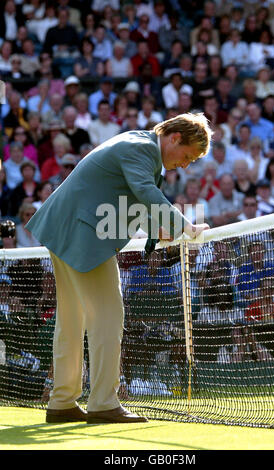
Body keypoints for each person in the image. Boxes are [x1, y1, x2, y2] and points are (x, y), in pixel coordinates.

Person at [25, 112, 212, 424]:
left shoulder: (137, 146)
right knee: (109, 317)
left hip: (65, 228)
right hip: (83, 235)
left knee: (72, 320)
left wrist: (158, 229)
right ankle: (102, 403)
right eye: (188, 155)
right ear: (175, 138)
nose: (186, 164)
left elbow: (128, 200)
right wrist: (184, 225)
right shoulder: (142, 149)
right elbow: (144, 192)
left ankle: (62, 403)